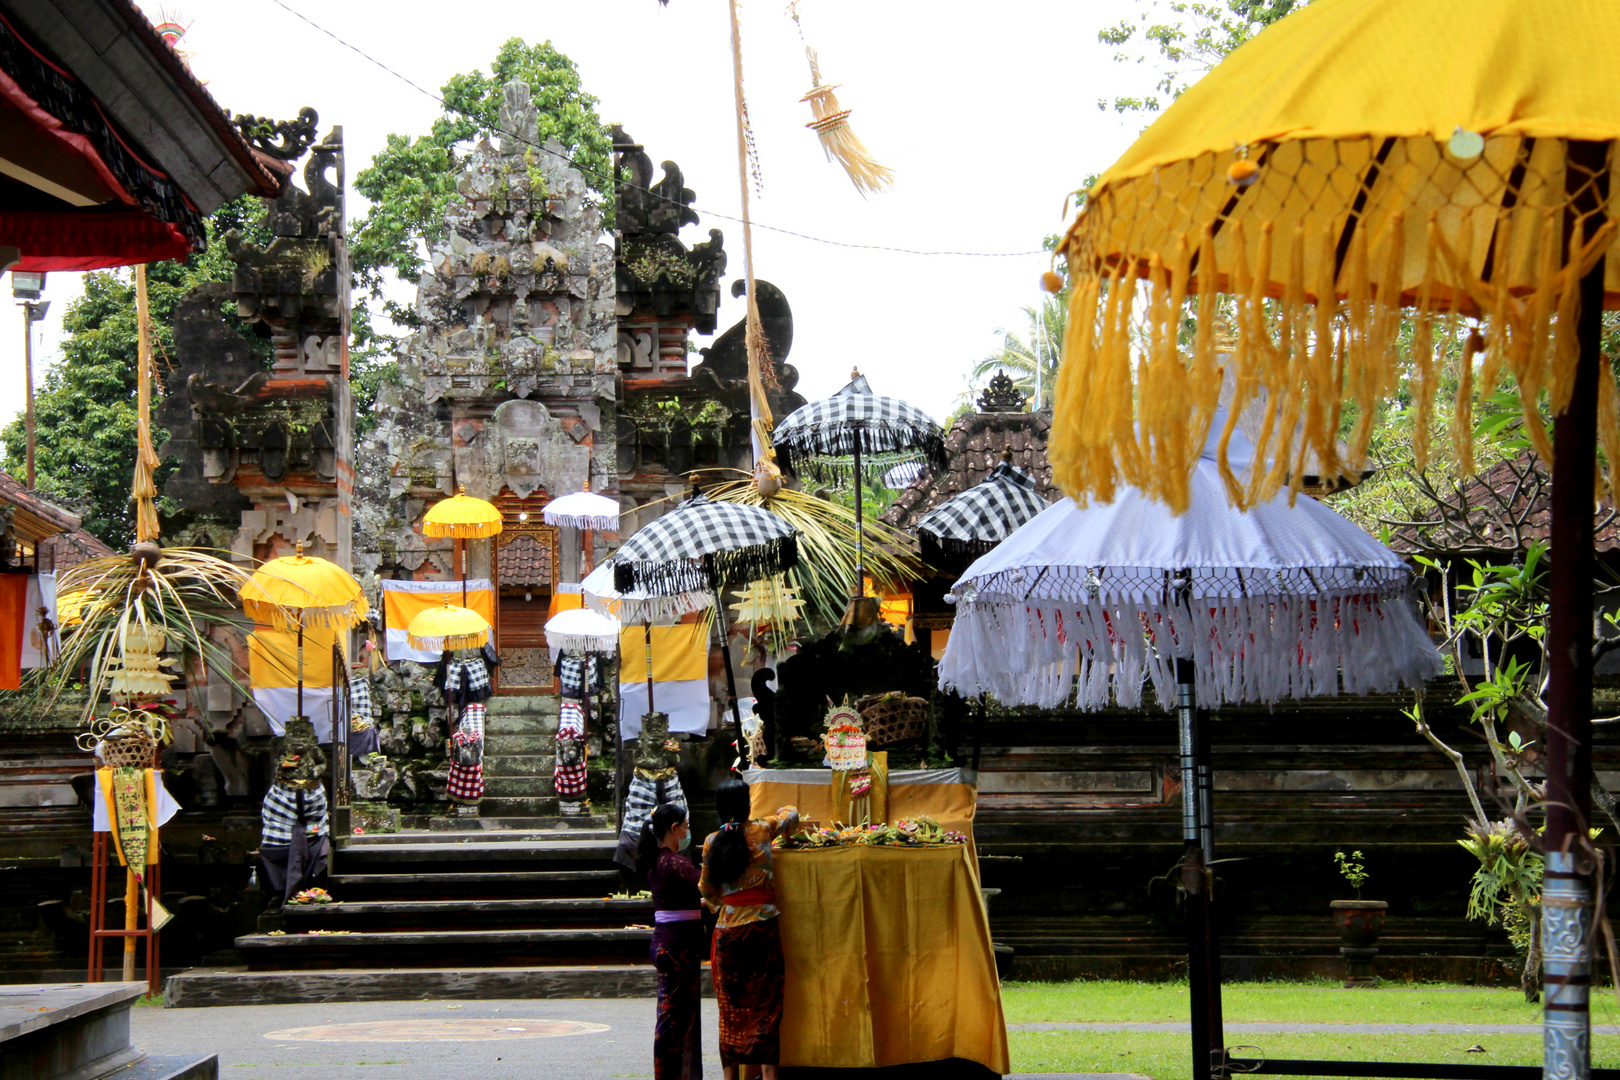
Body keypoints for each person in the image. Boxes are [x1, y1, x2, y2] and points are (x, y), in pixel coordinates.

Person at [699, 777, 798, 1080]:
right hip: (763, 927)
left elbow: (707, 889)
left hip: (728, 931)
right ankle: (769, 1076)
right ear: (747, 804)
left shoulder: (711, 841)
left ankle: (731, 1077)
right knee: (768, 1004)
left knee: (730, 1008)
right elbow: (792, 813)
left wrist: (725, 905)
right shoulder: (763, 829)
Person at [638, 802, 704, 1080]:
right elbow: (707, 883)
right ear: (675, 829)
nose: (688, 832)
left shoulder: (658, 861)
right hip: (677, 947)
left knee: (675, 1016)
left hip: (669, 943)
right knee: (672, 1018)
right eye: (686, 827)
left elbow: (684, 900)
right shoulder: (675, 862)